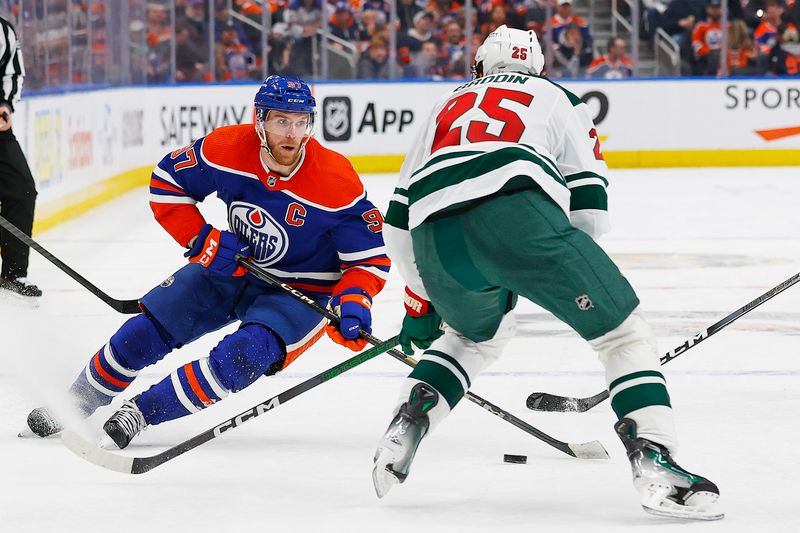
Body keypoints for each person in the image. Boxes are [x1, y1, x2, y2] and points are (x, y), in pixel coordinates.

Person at [372, 25, 723, 521]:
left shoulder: (445, 104)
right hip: (518, 214)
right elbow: (590, 211)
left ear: (481, 65)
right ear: (537, 66)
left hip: (435, 236)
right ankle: (655, 459)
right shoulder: (556, 96)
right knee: (621, 335)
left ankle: (408, 422)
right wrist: (551, 270)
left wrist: (421, 294)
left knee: (473, 339)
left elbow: (400, 215)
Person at [25, 76, 390, 449]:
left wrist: (356, 300)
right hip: (233, 266)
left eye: (301, 122)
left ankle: (141, 413)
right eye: (282, 120)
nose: (292, 133)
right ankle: (78, 401)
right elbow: (167, 181)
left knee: (244, 356)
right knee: (144, 332)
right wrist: (202, 240)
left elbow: (368, 259)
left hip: (300, 289)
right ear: (260, 119)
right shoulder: (228, 148)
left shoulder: (335, 180)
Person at [0, 15, 42, 302]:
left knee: (22, 188)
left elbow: (11, 73)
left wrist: (4, 104)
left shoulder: (3, 30)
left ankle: (13, 273)